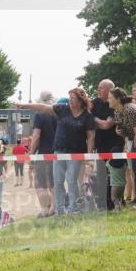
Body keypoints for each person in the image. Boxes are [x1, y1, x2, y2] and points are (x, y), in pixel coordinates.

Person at [18, 87, 96, 215]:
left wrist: (88, 156)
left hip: (76, 153)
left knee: (72, 180)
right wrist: (25, 105)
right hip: (59, 151)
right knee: (58, 181)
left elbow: (91, 136)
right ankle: (60, 210)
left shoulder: (87, 116)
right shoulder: (62, 109)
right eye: (69, 98)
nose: (70, 101)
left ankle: (73, 209)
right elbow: (43, 108)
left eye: (74, 98)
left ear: (81, 100)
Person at [91, 79, 121, 210]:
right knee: (101, 175)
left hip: (115, 143)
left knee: (115, 174)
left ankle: (117, 201)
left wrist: (92, 118)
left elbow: (106, 125)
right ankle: (103, 203)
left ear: (110, 90)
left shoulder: (114, 104)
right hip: (100, 144)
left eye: (101, 88)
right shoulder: (94, 103)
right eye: (98, 87)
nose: (99, 90)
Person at [29, 91, 58, 217]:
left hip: (44, 153)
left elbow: (36, 136)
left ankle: (45, 210)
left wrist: (31, 153)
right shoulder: (58, 113)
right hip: (58, 153)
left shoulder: (40, 114)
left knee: (40, 184)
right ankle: (55, 208)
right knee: (54, 182)